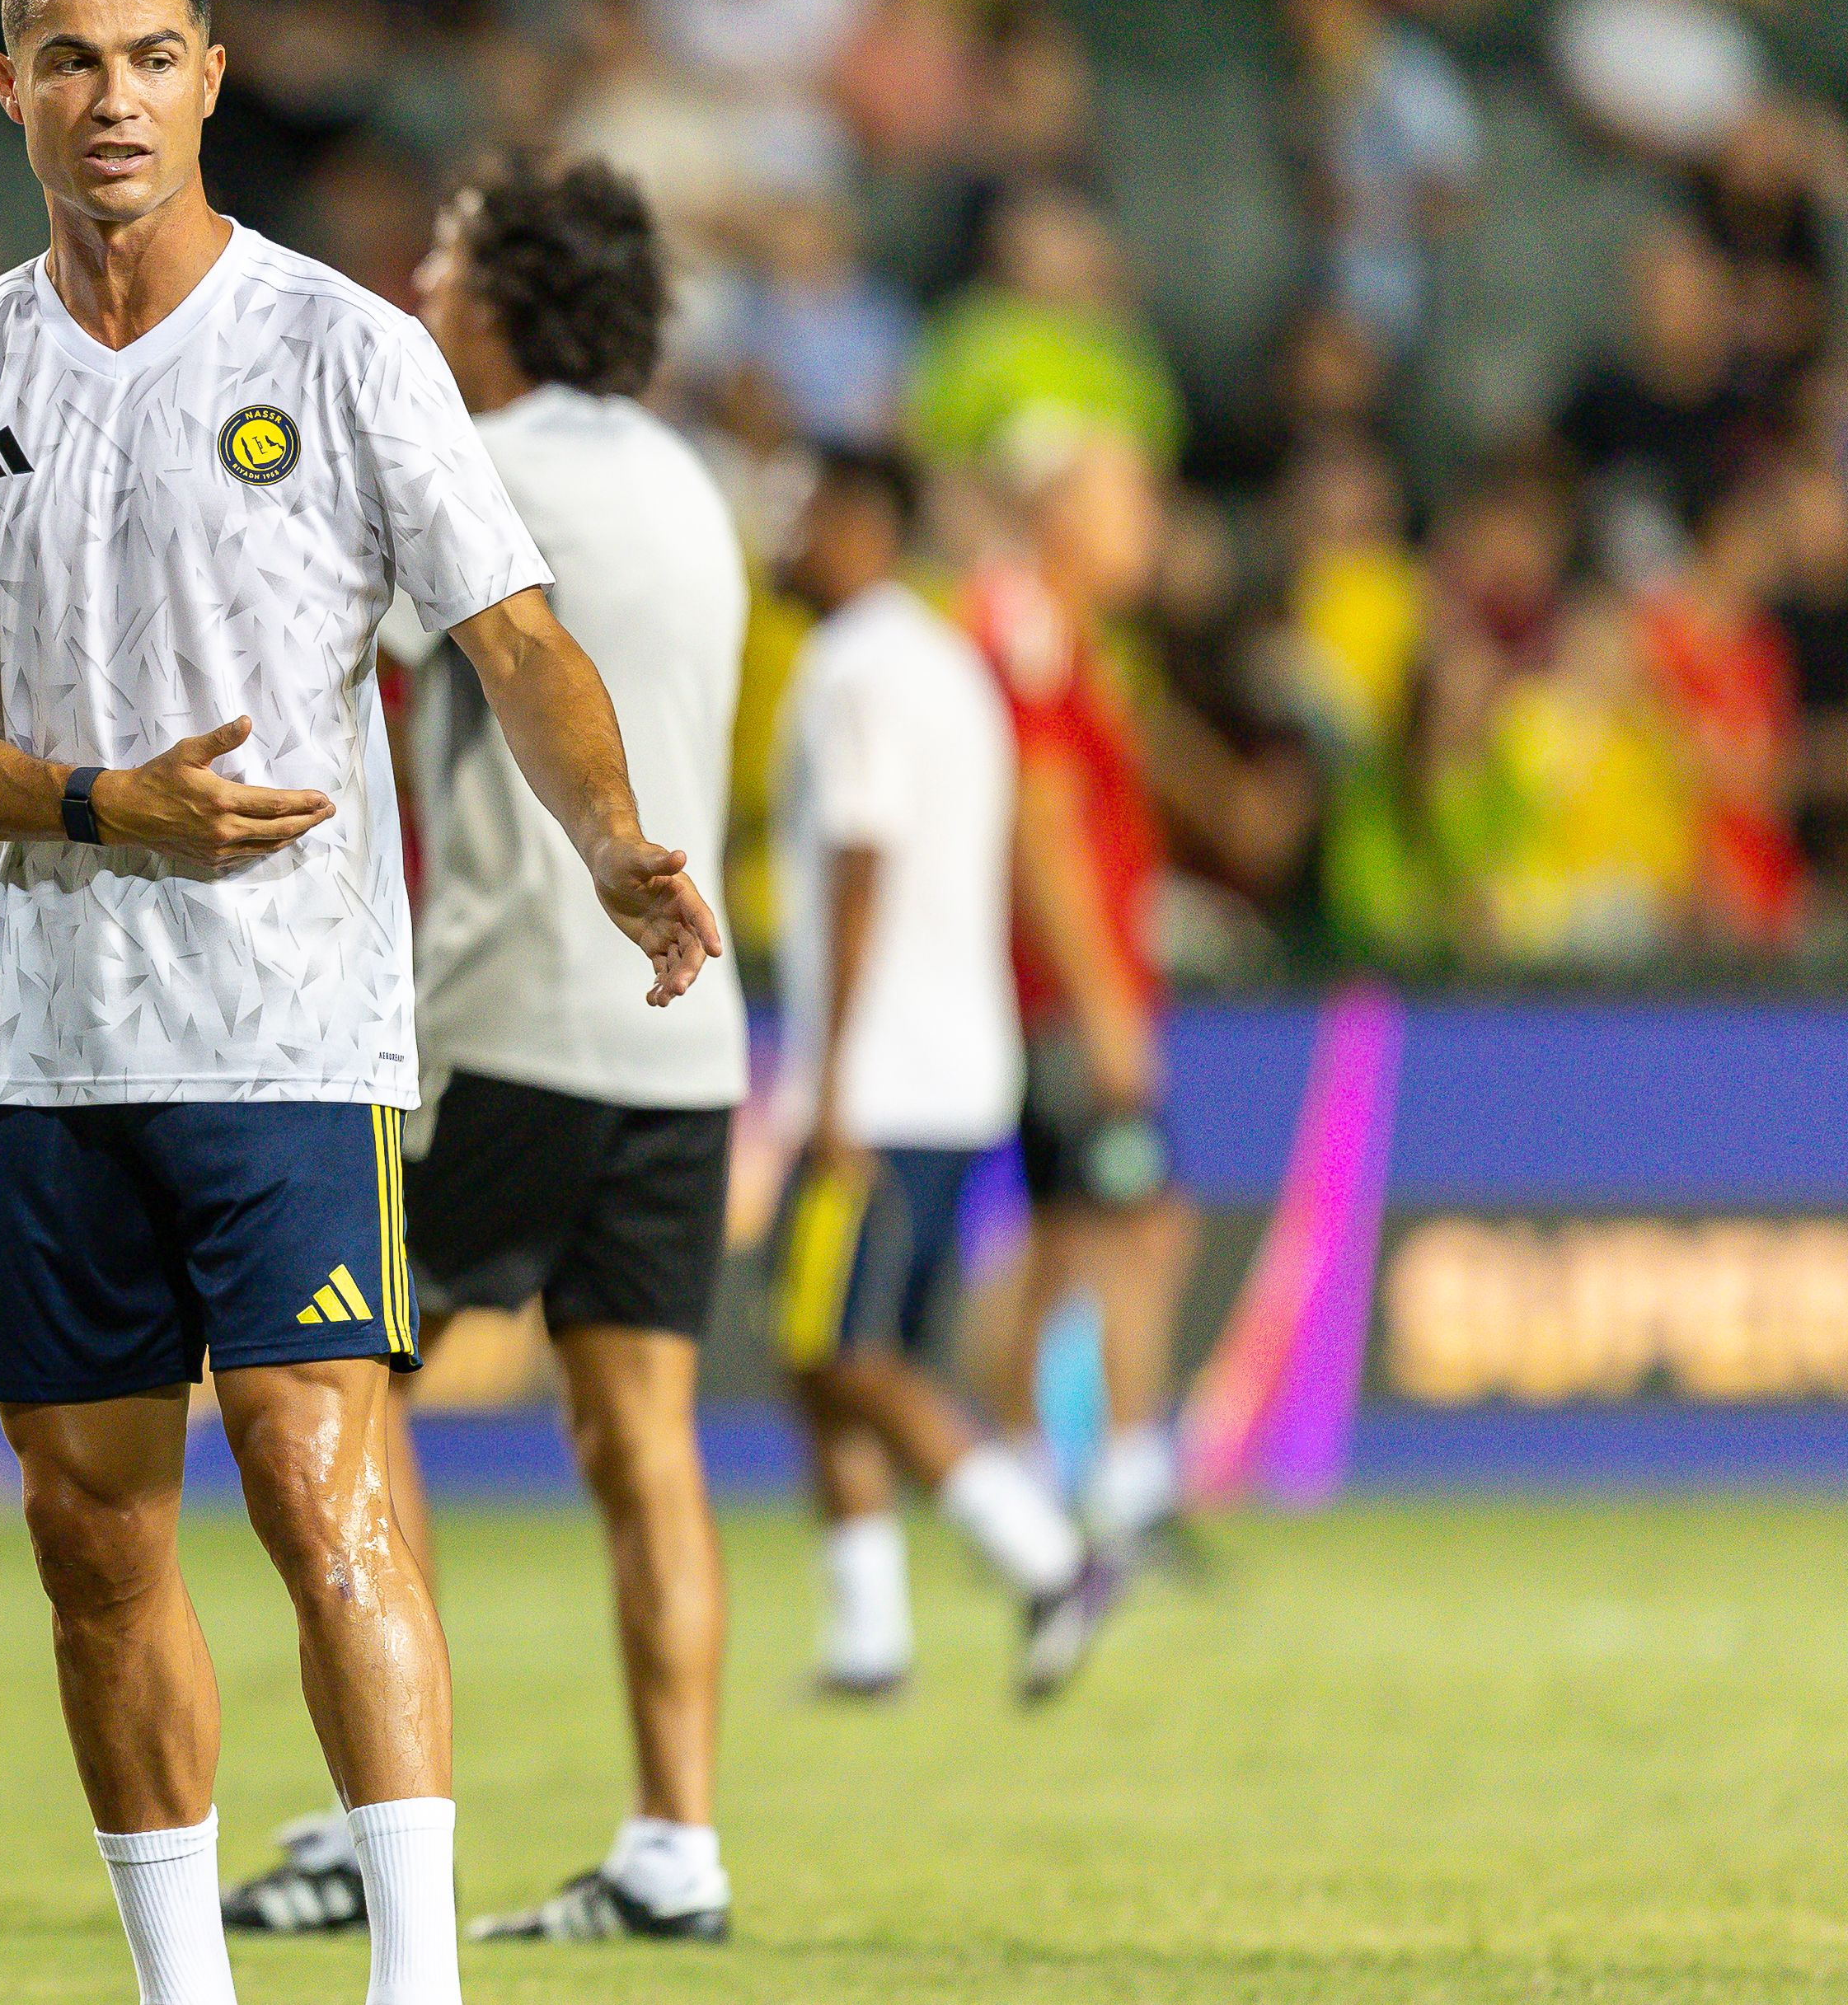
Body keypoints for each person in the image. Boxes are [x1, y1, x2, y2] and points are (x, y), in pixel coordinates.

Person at [0, 0, 722, 2005]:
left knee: (327, 1487)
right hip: (47, 1047)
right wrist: (91, 803)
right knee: (93, 1537)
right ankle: (183, 1987)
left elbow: (512, 632)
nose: (112, 96)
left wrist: (609, 841)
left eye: (150, 56)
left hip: (291, 1033)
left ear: (213, 79)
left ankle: (415, 1983)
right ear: (8, 90)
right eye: (68, 61)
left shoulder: (342, 350)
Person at [219, 158, 751, 1945]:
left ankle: (388, 1827)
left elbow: (311, 647)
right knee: (645, 1438)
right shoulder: (694, 480)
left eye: (443, 261)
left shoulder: (480, 466)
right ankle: (676, 1843)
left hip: (511, 1009)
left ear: (508, 297)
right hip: (687, 1031)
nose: (419, 288)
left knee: (351, 1397)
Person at [768, 443, 1123, 1703]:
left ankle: (1045, 1555)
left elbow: (859, 863)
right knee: (838, 1349)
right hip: (957, 1062)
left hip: (885, 1074)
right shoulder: (950, 663)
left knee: (840, 1345)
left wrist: (830, 1079)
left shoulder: (852, 662)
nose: (786, 533)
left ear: (862, 522)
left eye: (803, 507)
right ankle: (870, 1635)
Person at [969, 415, 1200, 1567]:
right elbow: (1043, 824)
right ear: (1060, 510)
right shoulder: (1035, 629)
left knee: (1070, 1235)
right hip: (1058, 992)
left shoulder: (1052, 627)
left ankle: (1022, 1481)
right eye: (1128, 502)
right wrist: (1105, 1000)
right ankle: (1121, 1483)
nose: (1147, 530)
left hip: (1049, 987)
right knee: (1135, 1227)